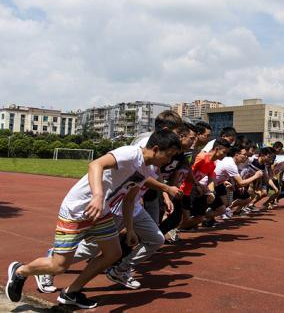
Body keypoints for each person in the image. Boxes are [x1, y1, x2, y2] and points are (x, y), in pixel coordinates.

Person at [5, 130, 181, 309]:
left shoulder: (147, 169)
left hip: (101, 212)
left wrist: (130, 229)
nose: (168, 161)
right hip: (77, 209)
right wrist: (97, 195)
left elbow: (129, 200)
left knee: (113, 253)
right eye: (168, 155)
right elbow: (95, 165)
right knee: (59, 266)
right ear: (156, 149)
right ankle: (20, 271)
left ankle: (71, 292)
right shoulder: (130, 153)